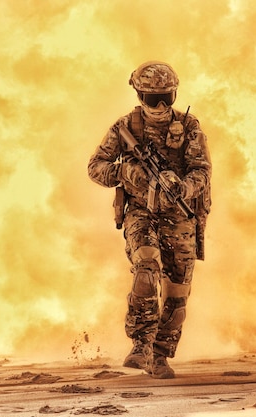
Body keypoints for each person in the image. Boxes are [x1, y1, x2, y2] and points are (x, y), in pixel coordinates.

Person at [87, 61, 211, 379]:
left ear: (174, 95)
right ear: (140, 94)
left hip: (180, 214)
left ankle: (159, 354)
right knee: (146, 267)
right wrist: (125, 171)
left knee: (178, 293)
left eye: (166, 98)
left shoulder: (189, 126)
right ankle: (141, 343)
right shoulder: (126, 127)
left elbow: (202, 170)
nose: (159, 106)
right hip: (141, 212)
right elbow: (95, 167)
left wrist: (182, 185)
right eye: (152, 97)